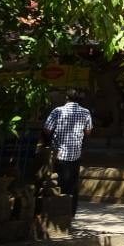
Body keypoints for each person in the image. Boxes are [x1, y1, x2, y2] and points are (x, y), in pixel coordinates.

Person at [43, 89, 93, 218]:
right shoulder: (85, 112)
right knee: (72, 184)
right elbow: (88, 132)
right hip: (75, 154)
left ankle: (56, 212)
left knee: (58, 182)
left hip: (58, 153)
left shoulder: (57, 111)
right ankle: (70, 212)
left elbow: (47, 129)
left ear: (66, 97)